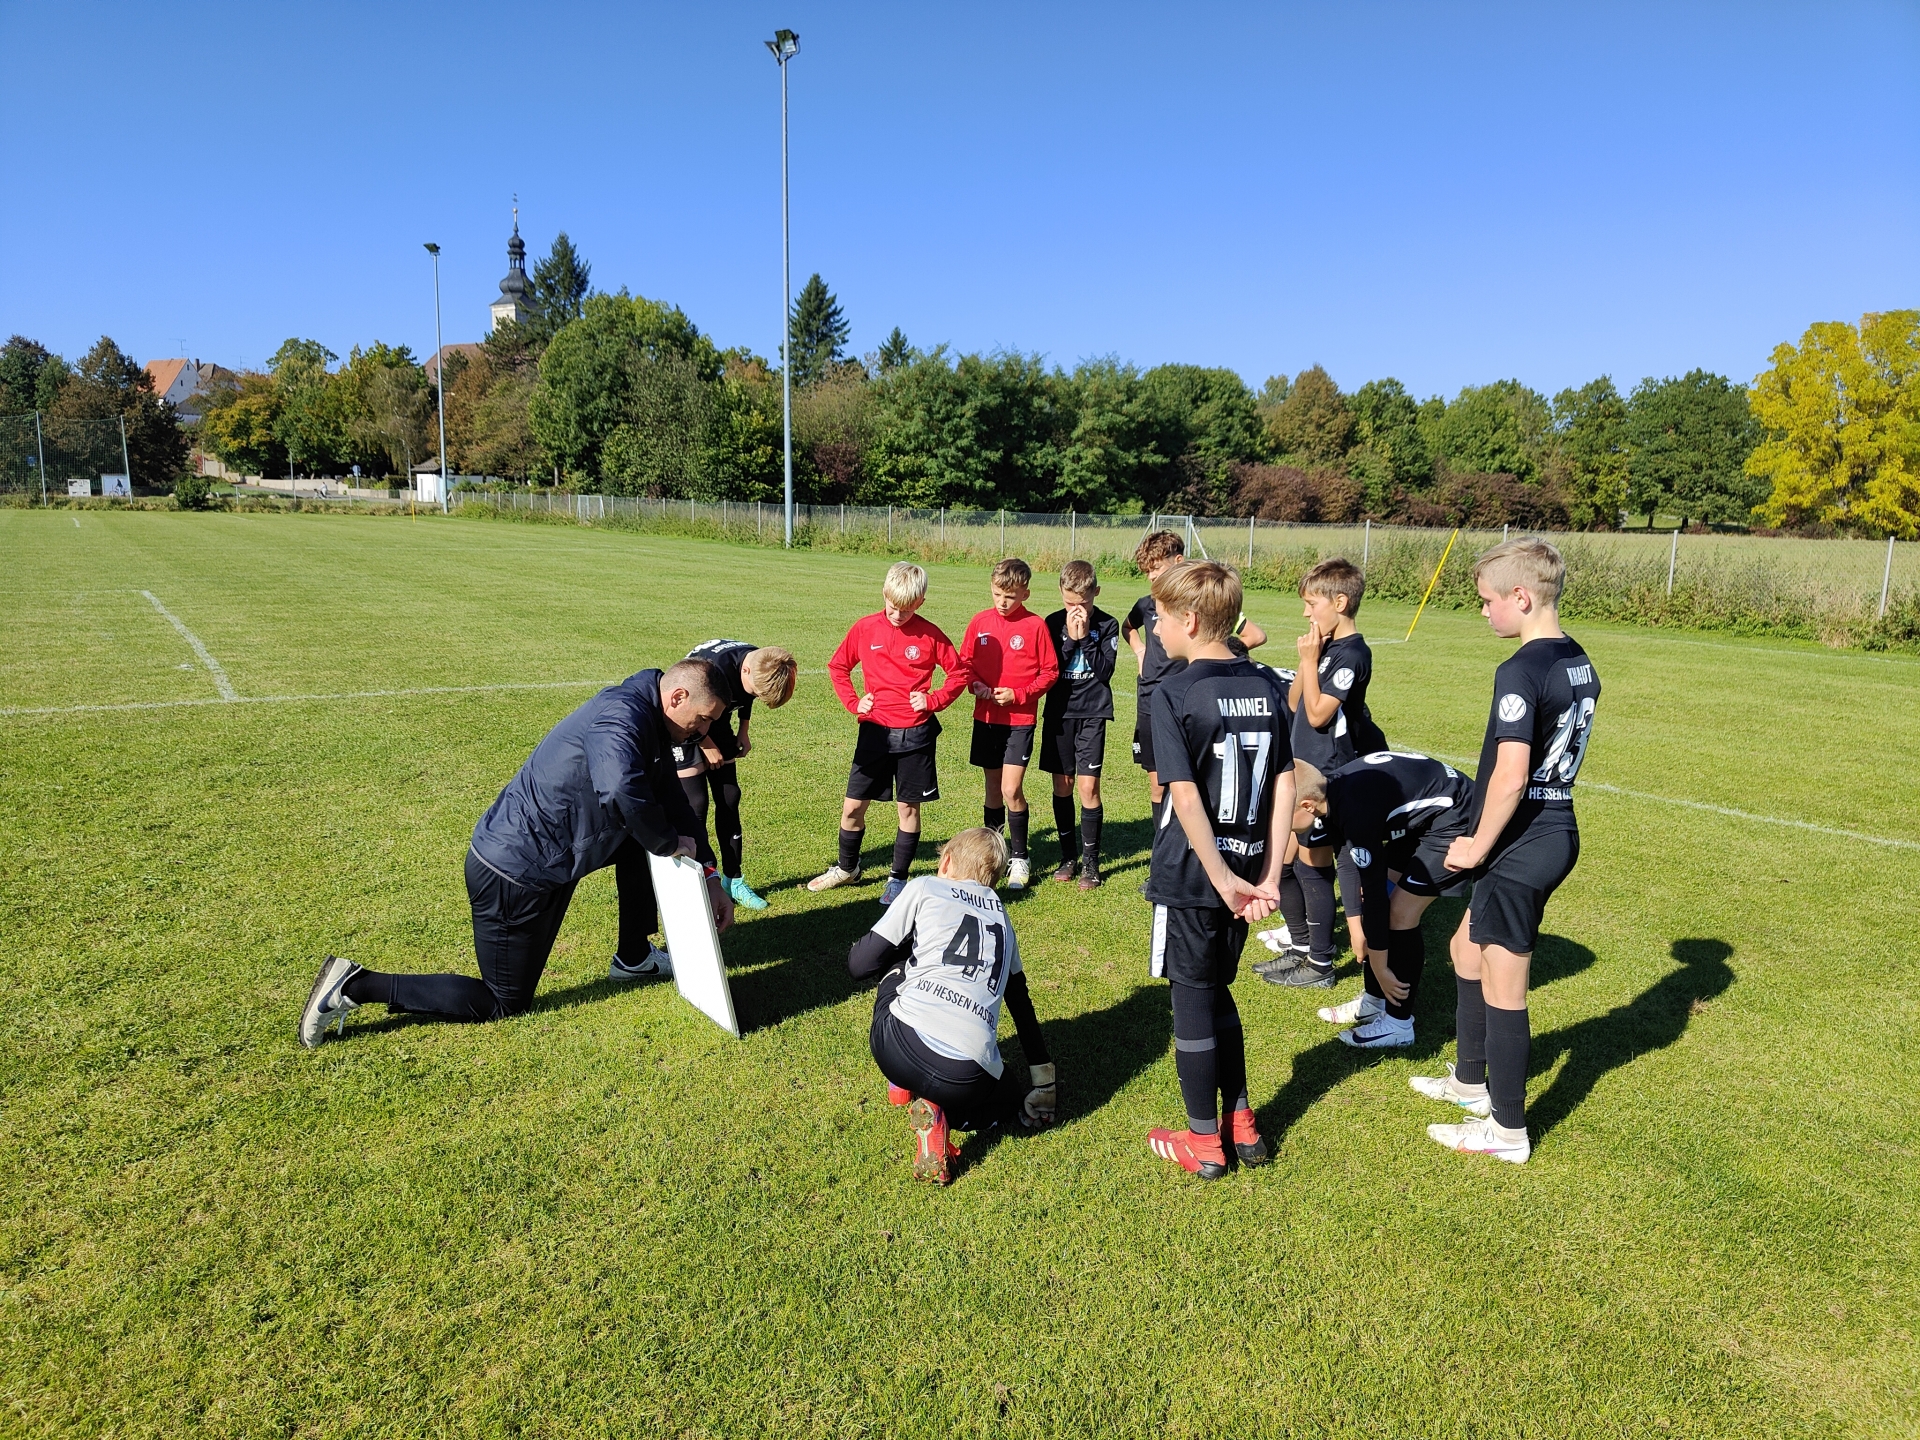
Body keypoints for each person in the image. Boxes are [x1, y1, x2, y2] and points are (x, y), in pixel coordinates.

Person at [298, 661, 736, 1046]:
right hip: (514, 871)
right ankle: (356, 985)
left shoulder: (653, 716)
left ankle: (634, 958)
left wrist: (710, 875)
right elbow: (621, 788)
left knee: (639, 840)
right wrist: (666, 843)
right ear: (677, 696)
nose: (703, 732)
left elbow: (673, 802)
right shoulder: (621, 717)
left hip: (548, 857)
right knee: (503, 1000)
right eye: (703, 719)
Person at [1418, 537, 1600, 1165]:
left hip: (1524, 840)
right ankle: (1471, 1081)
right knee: (1464, 949)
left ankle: (1507, 1129)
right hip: (1548, 829)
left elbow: (1511, 777)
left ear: (1521, 597)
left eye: (1488, 600)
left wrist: (1477, 844)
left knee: (1505, 983)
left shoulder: (1520, 669)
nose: (1484, 611)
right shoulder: (1577, 657)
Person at [1142, 561, 1296, 1180]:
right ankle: (1241, 1121)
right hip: (1250, 867)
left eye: (1159, 616)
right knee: (1215, 989)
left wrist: (1221, 878)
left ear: (1189, 619)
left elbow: (1182, 795)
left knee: (1190, 996)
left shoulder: (1173, 691)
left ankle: (1203, 1141)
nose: (1154, 628)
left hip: (1195, 871)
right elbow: (1285, 781)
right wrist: (1270, 872)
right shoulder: (1267, 682)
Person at [848, 827, 1057, 1184]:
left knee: (896, 958)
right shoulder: (1003, 920)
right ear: (993, 881)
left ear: (945, 862)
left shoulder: (926, 886)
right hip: (966, 1077)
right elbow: (1020, 1004)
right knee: (1009, 1100)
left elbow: (860, 965)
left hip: (896, 1046)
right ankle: (944, 1112)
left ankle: (901, 1085)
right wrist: (1044, 1082)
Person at [1287, 751, 1477, 1048]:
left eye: (1281, 815)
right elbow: (1348, 862)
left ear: (1307, 805)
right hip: (1427, 817)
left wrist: (1380, 965)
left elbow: (1375, 895)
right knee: (1380, 901)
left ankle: (1399, 1024)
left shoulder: (1355, 809)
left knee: (1399, 913)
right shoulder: (1331, 791)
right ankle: (1375, 1001)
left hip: (1457, 817)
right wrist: (1355, 929)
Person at [811, 562, 971, 906]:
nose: (898, 615)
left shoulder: (931, 634)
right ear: (884, 594)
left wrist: (933, 700)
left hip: (916, 735)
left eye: (907, 609)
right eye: (892, 606)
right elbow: (838, 666)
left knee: (908, 809)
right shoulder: (865, 628)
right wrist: (854, 702)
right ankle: (847, 868)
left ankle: (898, 878)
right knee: (853, 807)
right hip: (875, 733)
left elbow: (958, 674)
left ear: (920, 602)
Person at [1268, 557, 1388, 991]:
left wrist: (1310, 658)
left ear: (1339, 602)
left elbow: (1319, 714)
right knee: (1288, 862)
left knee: (1312, 863)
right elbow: (1295, 702)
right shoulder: (1327, 649)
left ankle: (1320, 964)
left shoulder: (1353, 653)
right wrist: (1308, 660)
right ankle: (1302, 946)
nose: (1306, 613)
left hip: (1328, 774)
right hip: (1305, 764)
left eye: (1312, 604)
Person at [1124, 531, 1267, 836]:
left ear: (1178, 561)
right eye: (1147, 571)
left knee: (1193, 779)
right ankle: (1164, 844)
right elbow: (1128, 626)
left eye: (1156, 568)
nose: (1151, 576)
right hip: (1151, 698)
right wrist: (1140, 652)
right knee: (1158, 783)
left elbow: (1254, 635)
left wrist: (1213, 657)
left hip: (1191, 699)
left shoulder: (1205, 604)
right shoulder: (1145, 604)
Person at [672, 641, 799, 912]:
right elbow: (687, 713)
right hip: (687, 726)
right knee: (695, 806)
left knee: (730, 797)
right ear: (746, 670)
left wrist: (744, 729)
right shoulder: (713, 670)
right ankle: (695, 885)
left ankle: (733, 880)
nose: (754, 696)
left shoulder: (761, 661)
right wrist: (705, 743)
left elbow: (747, 695)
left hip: (716, 721)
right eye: (755, 692)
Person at [960, 558, 1059, 890]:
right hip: (987, 718)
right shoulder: (979, 622)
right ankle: (993, 856)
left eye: (1011, 597)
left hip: (1020, 720)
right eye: (997, 594)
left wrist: (1018, 695)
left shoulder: (1035, 626)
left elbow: (1050, 672)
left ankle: (1019, 858)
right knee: (992, 790)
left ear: (1025, 594)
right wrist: (975, 684)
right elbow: (965, 664)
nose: (1002, 602)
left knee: (1010, 789)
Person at [1040, 560, 1120, 889]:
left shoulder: (1108, 624)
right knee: (1063, 785)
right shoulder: (1051, 623)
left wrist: (1085, 637)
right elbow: (1050, 672)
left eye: (1083, 603)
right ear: (1061, 593)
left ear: (1095, 593)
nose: (1076, 610)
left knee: (1088, 788)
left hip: (1093, 713)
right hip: (1060, 715)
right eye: (1069, 602)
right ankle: (1068, 856)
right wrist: (1070, 641)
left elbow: (1105, 672)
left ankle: (1091, 863)